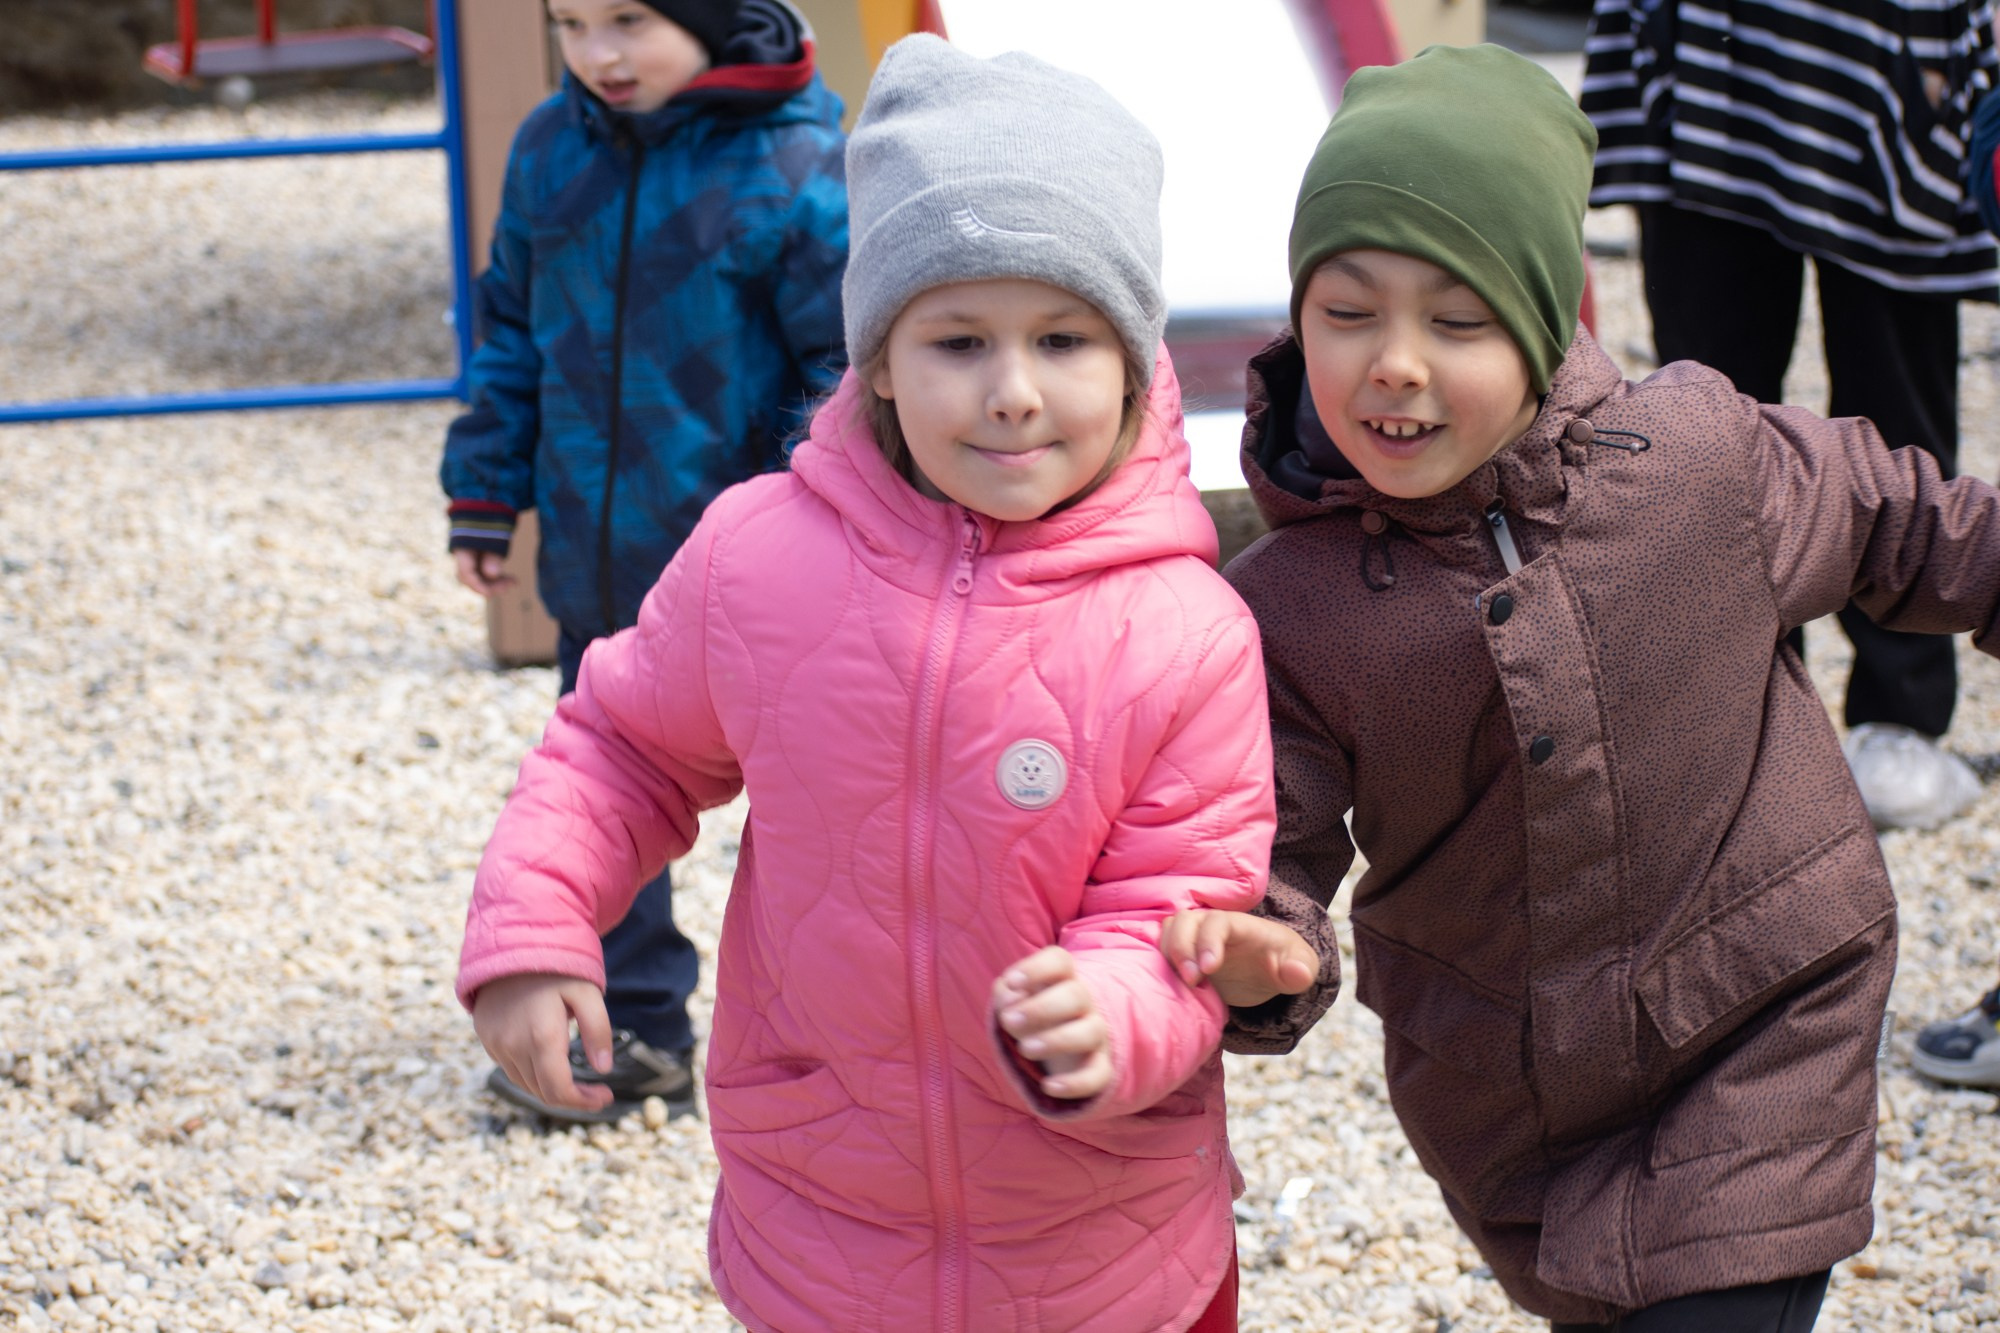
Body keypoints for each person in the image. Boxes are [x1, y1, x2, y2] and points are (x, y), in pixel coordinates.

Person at [1159, 43, 2000, 1331]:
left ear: (1547, 321)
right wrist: (1264, 941)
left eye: (1455, 320)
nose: (1393, 362)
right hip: (1512, 1096)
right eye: (1346, 312)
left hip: (1759, 1019)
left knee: (1713, 1294)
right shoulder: (1289, 603)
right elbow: (1271, 826)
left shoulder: (1688, 462)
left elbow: (1896, 517)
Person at [457, 36, 1274, 1332]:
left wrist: (1116, 1007)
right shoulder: (759, 558)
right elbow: (621, 745)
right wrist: (535, 926)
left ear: (1134, 363)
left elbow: (1184, 900)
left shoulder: (1185, 630)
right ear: (877, 360)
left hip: (1104, 1245)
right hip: (826, 1225)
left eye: (1063, 337)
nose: (1011, 393)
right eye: (958, 340)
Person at [439, 0, 849, 1121]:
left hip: (768, 585)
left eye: (629, 19)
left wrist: (815, 530)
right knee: (603, 804)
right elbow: (511, 328)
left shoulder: (797, 159)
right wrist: (486, 485)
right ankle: (630, 1029)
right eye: (571, 23)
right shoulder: (549, 147)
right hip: (601, 561)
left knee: (829, 814)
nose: (598, 55)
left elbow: (841, 376)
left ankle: (852, 1033)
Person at [1579, 0, 2000, 830]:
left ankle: (1898, 714)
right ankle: (1741, 713)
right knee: (1704, 410)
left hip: (1890, 44)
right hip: (1708, 47)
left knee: (1896, 383)